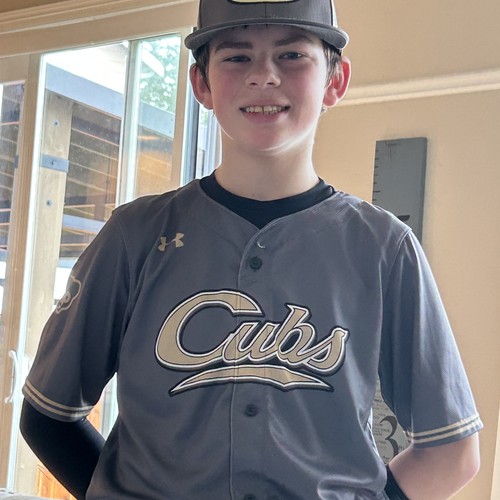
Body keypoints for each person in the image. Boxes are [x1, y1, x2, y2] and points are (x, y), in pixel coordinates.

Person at [20, 0, 483, 498]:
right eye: (237, 57)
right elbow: (48, 415)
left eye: (292, 55)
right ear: (201, 84)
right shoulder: (135, 235)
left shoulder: (383, 247)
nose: (263, 75)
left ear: (336, 81)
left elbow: (452, 450)